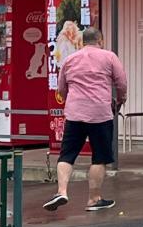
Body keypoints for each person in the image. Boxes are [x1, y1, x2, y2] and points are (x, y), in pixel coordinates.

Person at [45, 25, 127, 213]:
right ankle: (94, 199)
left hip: (74, 113)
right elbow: (121, 83)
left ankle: (62, 191)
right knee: (99, 157)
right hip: (100, 114)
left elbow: (61, 88)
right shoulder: (109, 57)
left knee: (67, 154)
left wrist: (71, 101)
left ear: (82, 42)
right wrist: (120, 101)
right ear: (101, 40)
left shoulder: (70, 59)